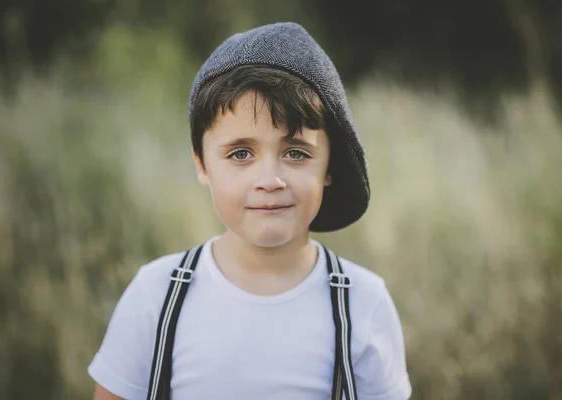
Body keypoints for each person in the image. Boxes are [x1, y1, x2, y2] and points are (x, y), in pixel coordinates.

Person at [89, 22, 412, 400]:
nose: (270, 179)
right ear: (201, 164)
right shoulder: (156, 295)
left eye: (296, 153)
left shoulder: (363, 303)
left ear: (329, 167)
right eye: (240, 153)